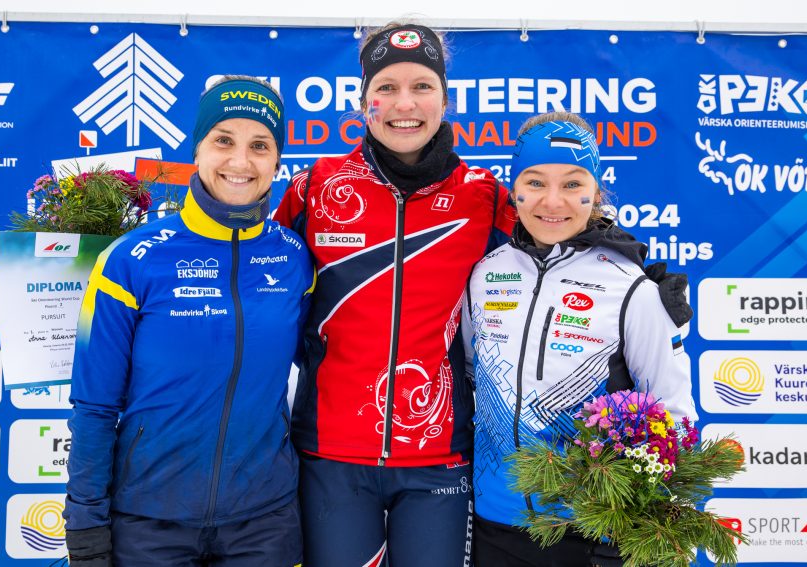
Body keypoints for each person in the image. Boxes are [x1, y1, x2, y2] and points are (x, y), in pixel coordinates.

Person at [274, 22, 515, 567]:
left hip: (439, 455)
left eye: (422, 86)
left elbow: (551, 250)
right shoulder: (318, 187)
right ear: (364, 102)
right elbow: (262, 280)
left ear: (445, 98)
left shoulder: (483, 196)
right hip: (331, 454)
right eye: (386, 87)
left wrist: (619, 258)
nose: (404, 103)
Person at [63, 76, 313, 567]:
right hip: (148, 522)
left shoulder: (295, 258)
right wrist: (85, 523)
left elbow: (323, 366)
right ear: (196, 149)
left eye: (259, 146)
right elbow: (93, 405)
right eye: (223, 140)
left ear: (277, 161)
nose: (240, 162)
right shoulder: (132, 259)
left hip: (264, 523)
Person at [463, 111, 696, 567]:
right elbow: (472, 375)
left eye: (572, 184)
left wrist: (667, 519)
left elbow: (672, 410)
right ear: (514, 190)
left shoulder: (632, 287)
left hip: (593, 532)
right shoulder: (485, 274)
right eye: (534, 182)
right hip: (495, 526)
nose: (553, 201)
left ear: (595, 191)